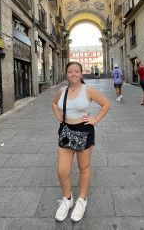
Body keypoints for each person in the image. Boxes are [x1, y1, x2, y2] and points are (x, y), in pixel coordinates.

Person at [52, 62, 110, 222]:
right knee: (63, 170)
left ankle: (81, 200)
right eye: (70, 71)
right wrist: (58, 115)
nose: (73, 74)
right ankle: (67, 199)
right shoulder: (61, 91)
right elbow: (54, 104)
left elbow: (106, 104)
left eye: (76, 71)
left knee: (83, 167)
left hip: (84, 130)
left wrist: (95, 119)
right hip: (66, 131)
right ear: (66, 74)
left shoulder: (88, 90)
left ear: (81, 74)